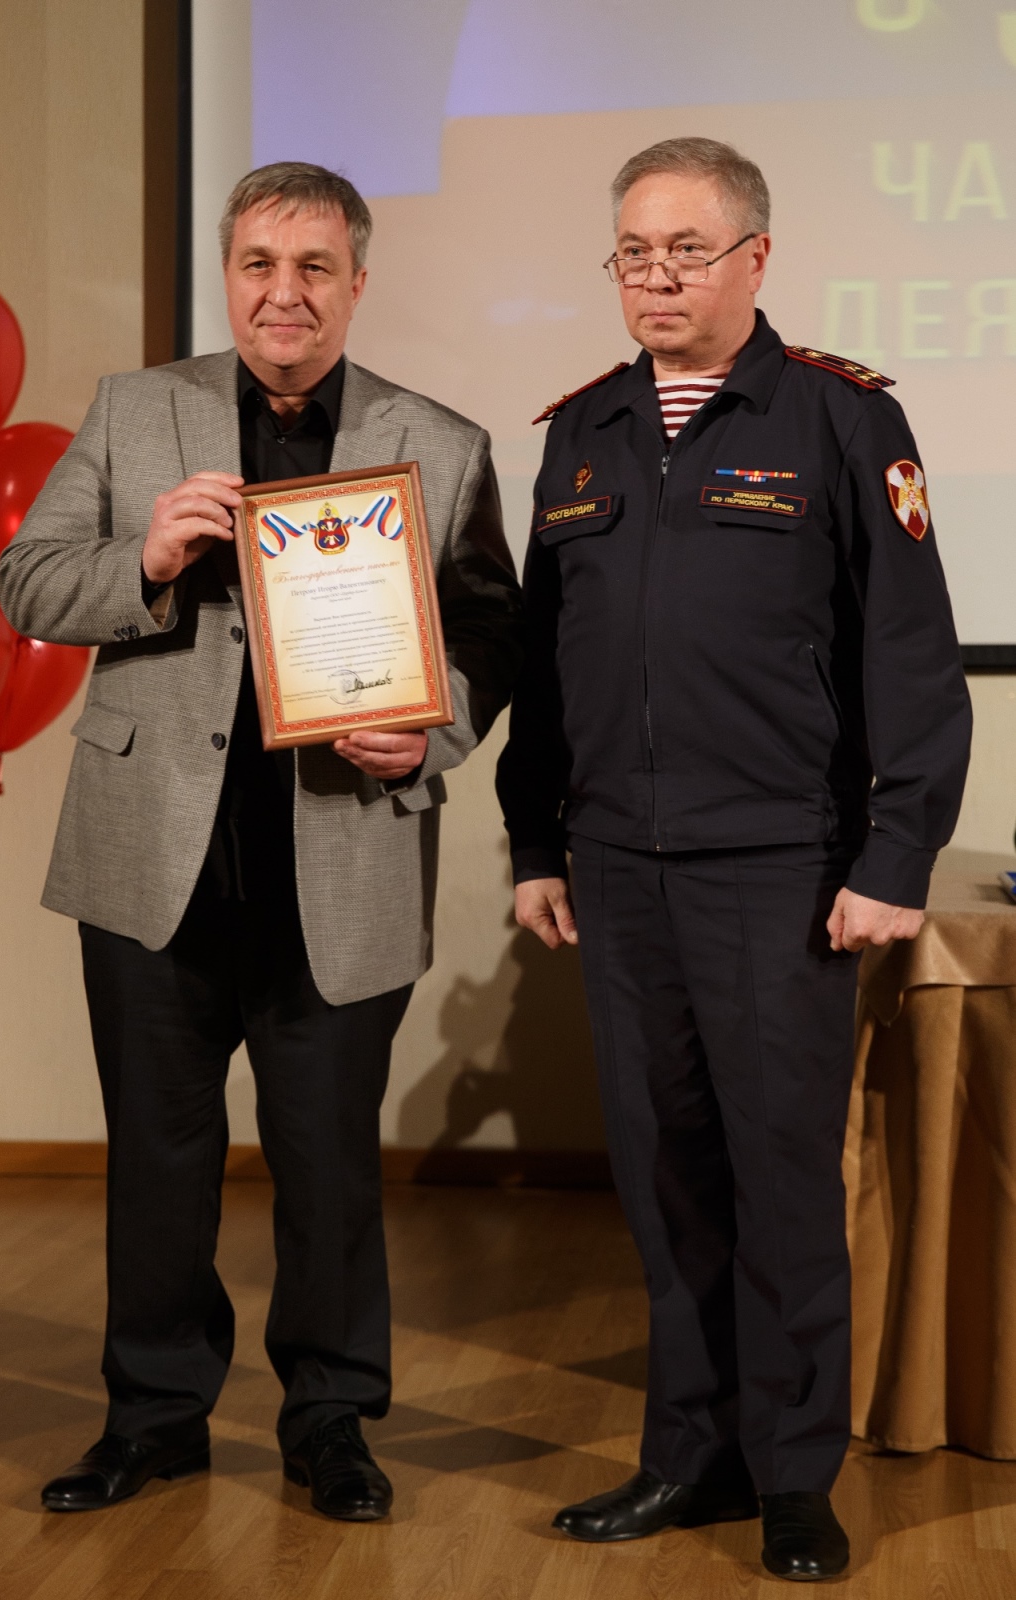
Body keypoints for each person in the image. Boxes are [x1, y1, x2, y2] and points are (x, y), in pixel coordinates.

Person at [0, 162, 521, 1520]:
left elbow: (490, 629)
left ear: (356, 283)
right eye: (258, 265)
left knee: (330, 1171)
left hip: (341, 864)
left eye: (313, 267)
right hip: (152, 865)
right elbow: (26, 582)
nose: (284, 293)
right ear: (228, 277)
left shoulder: (439, 440)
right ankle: (154, 1418)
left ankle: (332, 1421)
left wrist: (434, 728)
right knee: (155, 1164)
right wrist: (146, 561)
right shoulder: (135, 411)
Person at [496, 138, 971, 1583]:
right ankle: (686, 1458)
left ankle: (792, 1476)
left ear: (755, 258)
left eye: (686, 250)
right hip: (616, 866)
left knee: (779, 1183)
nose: (657, 277)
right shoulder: (580, 430)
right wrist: (534, 838)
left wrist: (896, 852)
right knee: (666, 1182)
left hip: (780, 869)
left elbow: (911, 653)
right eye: (633, 252)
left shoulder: (840, 417)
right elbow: (548, 667)